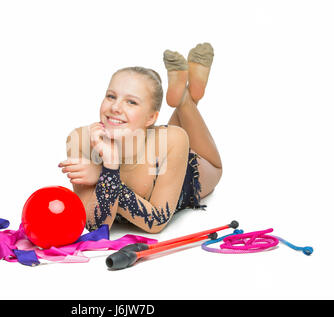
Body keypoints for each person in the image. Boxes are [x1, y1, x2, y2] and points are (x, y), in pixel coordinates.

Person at [59, 43, 222, 233]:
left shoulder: (174, 139)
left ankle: (184, 99)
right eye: (111, 96)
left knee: (216, 168)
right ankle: (186, 94)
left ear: (152, 117)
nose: (115, 107)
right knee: (166, 140)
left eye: (131, 102)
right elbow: (95, 226)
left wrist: (102, 175)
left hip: (187, 176)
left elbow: (156, 222)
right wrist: (110, 166)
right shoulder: (81, 140)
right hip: (159, 150)